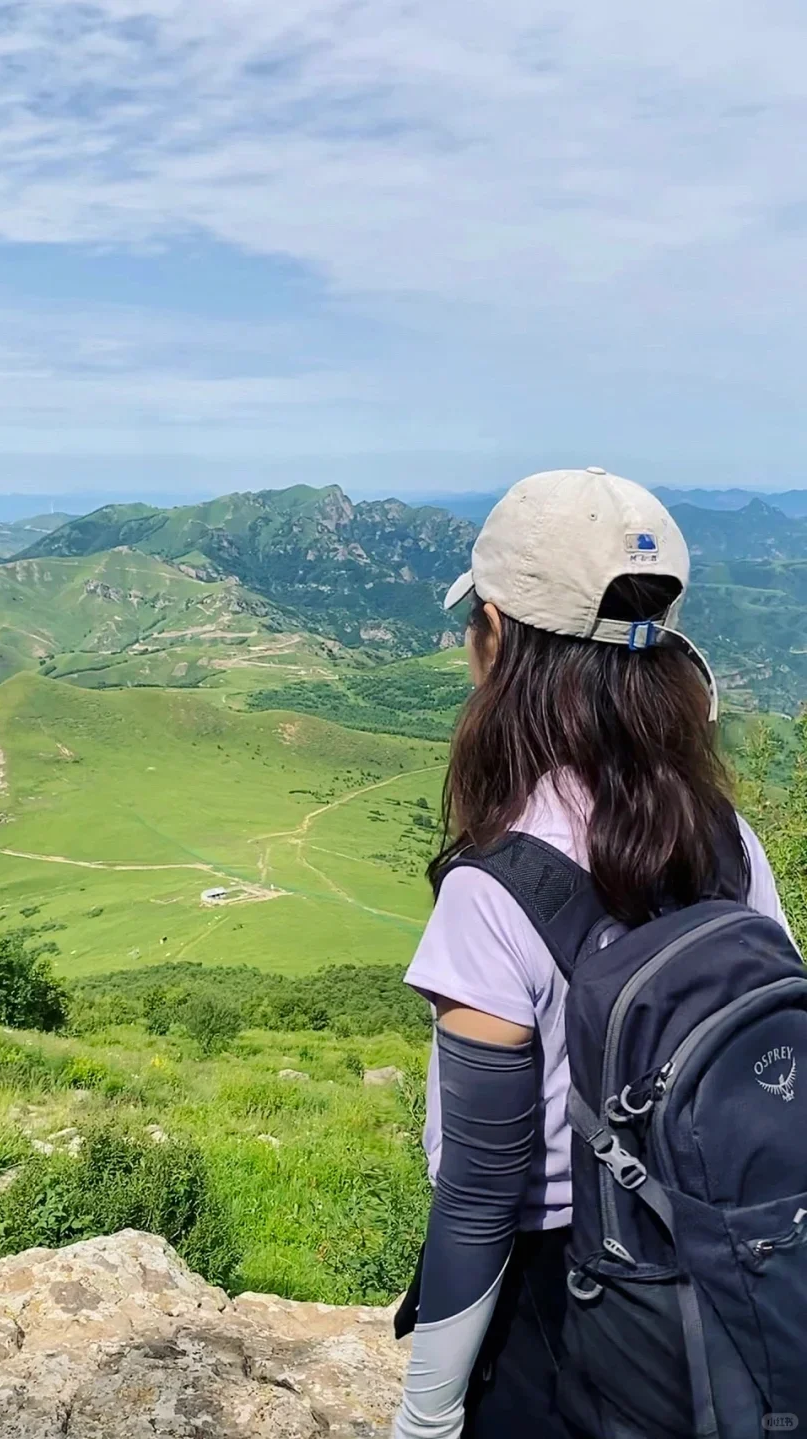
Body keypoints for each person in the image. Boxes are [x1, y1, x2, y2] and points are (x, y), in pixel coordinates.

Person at [392, 468, 794, 1439]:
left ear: (498, 636)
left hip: (566, 1316)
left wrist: (428, 1411)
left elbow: (486, 1188)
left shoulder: (492, 892)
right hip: (733, 1278)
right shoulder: (727, 833)